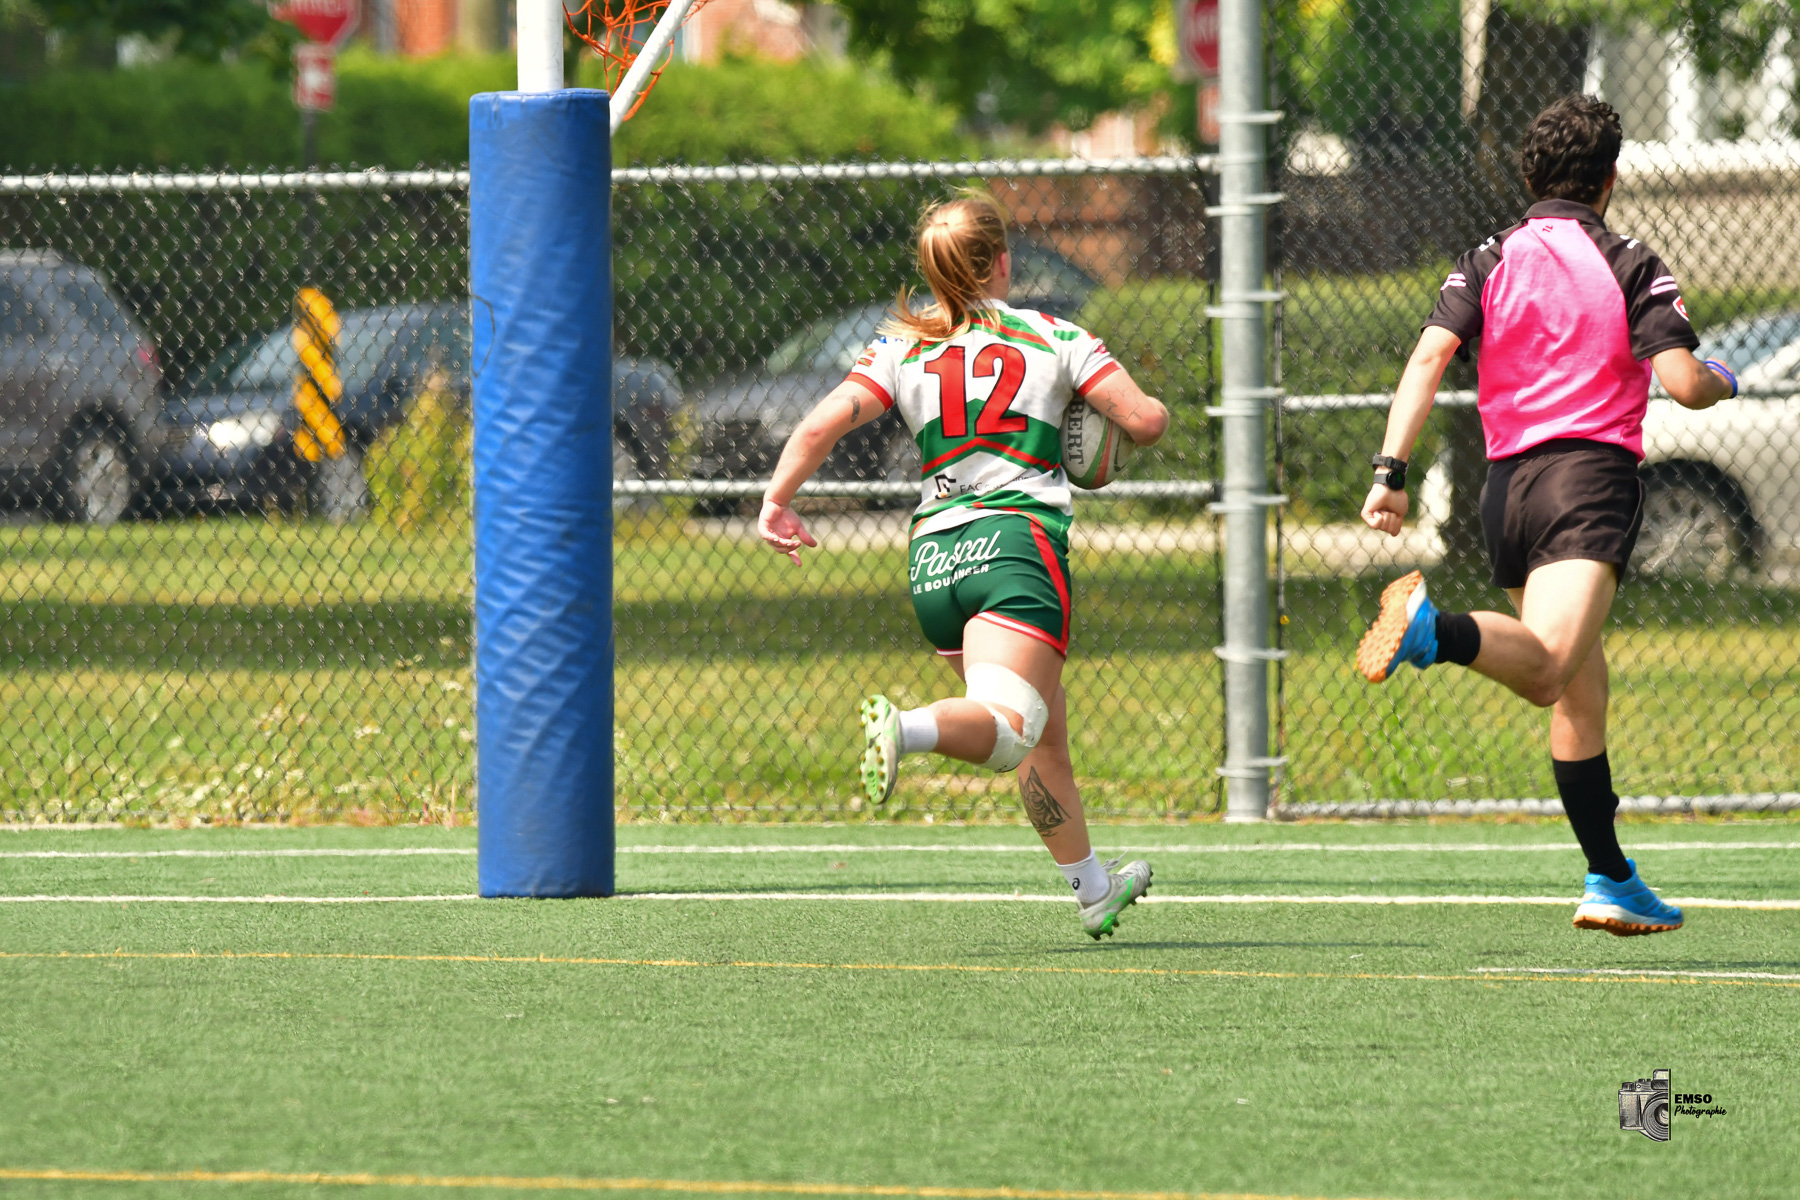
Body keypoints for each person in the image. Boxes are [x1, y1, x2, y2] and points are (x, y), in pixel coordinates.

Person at [1354, 95, 1737, 936]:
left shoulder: (1489, 257)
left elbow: (1428, 357)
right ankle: (1433, 631)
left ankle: (1612, 879)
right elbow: (1682, 382)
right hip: (1586, 481)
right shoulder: (1629, 260)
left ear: (1530, 177)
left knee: (1579, 692)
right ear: (1610, 179)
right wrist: (1723, 378)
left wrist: (1390, 472)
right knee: (1547, 672)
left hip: (1508, 492)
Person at [757, 193, 1170, 940]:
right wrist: (1103, 428)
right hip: (1015, 549)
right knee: (1012, 730)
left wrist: (776, 501)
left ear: (933, 271)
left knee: (1041, 733)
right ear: (1004, 262)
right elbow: (1143, 420)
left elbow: (821, 423)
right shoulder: (1056, 336)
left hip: (935, 562)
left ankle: (1093, 889)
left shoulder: (899, 348)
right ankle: (906, 728)